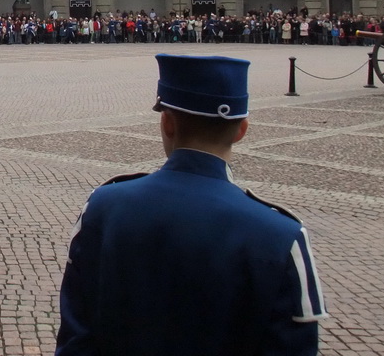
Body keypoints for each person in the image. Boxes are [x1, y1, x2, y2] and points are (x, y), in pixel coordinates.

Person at [55, 54, 328, 356]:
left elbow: (76, 339)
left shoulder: (103, 208)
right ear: (241, 130)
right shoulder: (281, 235)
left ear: (167, 122)